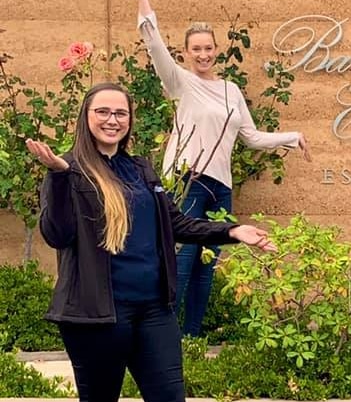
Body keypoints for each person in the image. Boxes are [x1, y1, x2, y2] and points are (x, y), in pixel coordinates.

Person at [27, 82, 277, 402]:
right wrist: (59, 177)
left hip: (154, 311)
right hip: (98, 317)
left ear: (130, 120)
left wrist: (231, 231)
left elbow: (174, 222)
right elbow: (57, 235)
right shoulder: (69, 169)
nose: (112, 120)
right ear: (85, 117)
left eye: (121, 113)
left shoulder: (140, 168)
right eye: (102, 111)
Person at [111, 0, 311, 337]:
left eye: (208, 47)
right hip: (188, 180)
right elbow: (154, 44)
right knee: (185, 257)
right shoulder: (179, 82)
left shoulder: (231, 90)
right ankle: (167, 336)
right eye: (196, 49)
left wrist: (291, 136)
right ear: (186, 53)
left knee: (208, 262)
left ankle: (193, 337)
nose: (203, 54)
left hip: (220, 187)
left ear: (216, 50)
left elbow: (249, 137)